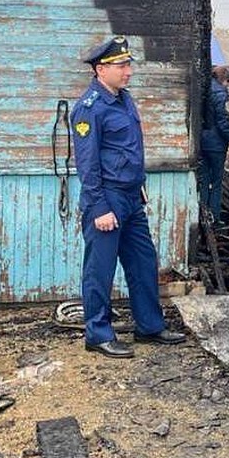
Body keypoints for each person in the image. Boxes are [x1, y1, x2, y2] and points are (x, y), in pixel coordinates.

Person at [70, 36, 186, 358]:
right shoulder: (88, 109)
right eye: (121, 66)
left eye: (128, 65)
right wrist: (99, 206)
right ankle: (98, 333)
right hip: (107, 199)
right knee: (100, 270)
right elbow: (87, 164)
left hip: (132, 199)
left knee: (143, 262)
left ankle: (149, 326)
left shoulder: (124, 100)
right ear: (100, 69)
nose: (128, 72)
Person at [199, 65, 229, 222]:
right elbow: (223, 123)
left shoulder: (205, 89)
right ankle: (214, 218)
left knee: (204, 180)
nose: (228, 85)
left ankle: (202, 215)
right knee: (216, 183)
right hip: (216, 144)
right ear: (225, 79)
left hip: (202, 141)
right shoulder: (221, 94)